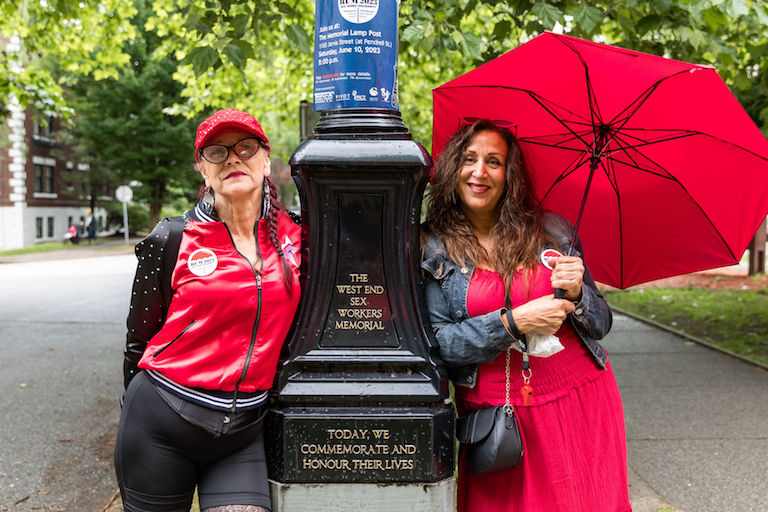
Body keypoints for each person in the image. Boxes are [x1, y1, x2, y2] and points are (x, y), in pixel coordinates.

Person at [421, 119, 631, 511]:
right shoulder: (432, 246)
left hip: (579, 399)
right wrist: (513, 323)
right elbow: (438, 345)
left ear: (510, 175)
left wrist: (578, 292)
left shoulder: (552, 230)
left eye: (494, 161)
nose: (479, 172)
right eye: (469, 159)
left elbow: (600, 324)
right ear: (453, 167)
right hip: (497, 421)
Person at [115, 109, 302, 512]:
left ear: (266, 160)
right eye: (217, 152)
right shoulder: (173, 237)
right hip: (161, 422)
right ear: (203, 169)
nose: (233, 159)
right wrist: (130, 406)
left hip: (241, 433)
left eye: (246, 148)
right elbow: (139, 341)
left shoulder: (298, 236)